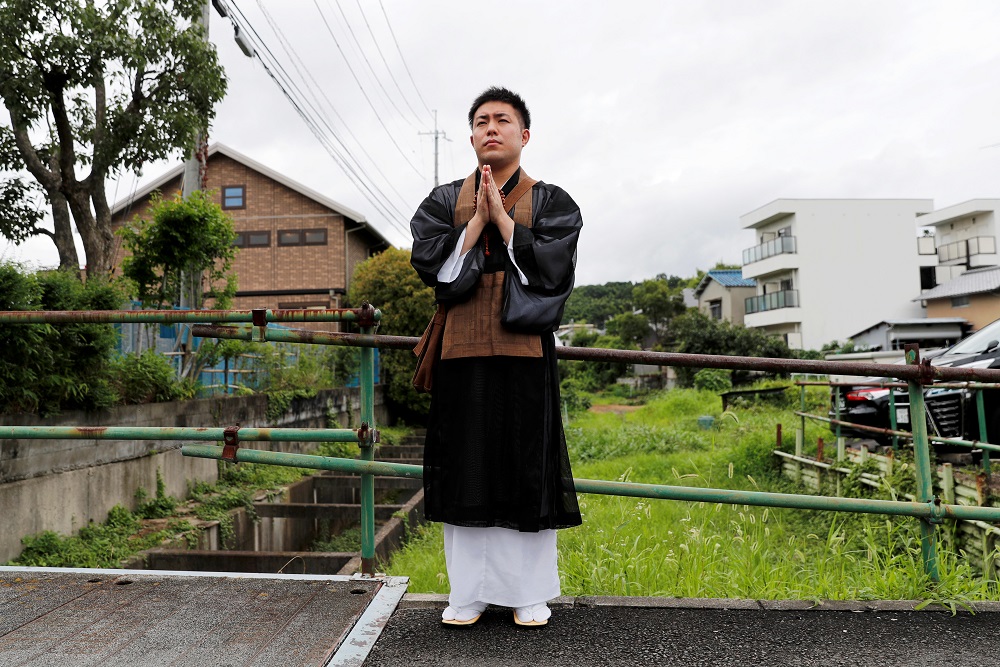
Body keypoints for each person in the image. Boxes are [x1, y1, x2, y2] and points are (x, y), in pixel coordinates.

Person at [410, 86, 583, 628]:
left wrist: (503, 221)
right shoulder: (442, 200)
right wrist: (478, 221)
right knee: (466, 466)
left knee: (524, 466)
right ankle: (467, 594)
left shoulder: (552, 200)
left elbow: (554, 272)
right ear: (471, 136)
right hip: (461, 353)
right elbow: (433, 268)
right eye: (481, 120)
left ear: (523, 135)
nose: (491, 127)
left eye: (502, 120)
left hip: (524, 354)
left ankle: (528, 595)